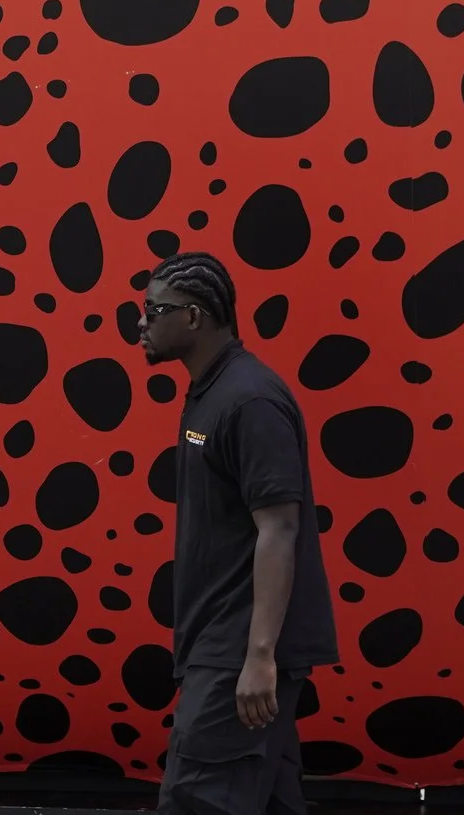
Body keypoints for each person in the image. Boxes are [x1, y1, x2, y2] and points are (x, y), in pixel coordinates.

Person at [138, 251, 340, 815]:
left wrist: (257, 657)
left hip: (239, 648)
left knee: (196, 798)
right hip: (222, 638)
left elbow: (279, 528)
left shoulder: (249, 400)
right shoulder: (211, 393)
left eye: (154, 311)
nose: (141, 322)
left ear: (194, 317)